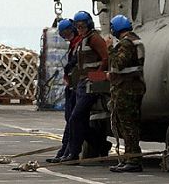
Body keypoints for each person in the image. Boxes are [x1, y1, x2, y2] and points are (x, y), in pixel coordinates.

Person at [59, 10, 109, 163]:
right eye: (78, 26)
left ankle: (73, 152)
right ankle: (75, 151)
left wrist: (96, 79)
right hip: (81, 85)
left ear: (88, 25)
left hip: (89, 85)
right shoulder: (83, 40)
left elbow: (106, 58)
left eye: (82, 26)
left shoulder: (94, 39)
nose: (80, 29)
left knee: (75, 117)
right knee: (77, 119)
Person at [107, 14, 146, 173]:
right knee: (127, 124)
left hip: (127, 90)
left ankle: (133, 159)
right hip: (132, 88)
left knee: (128, 125)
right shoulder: (135, 40)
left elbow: (118, 64)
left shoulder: (126, 44)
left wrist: (109, 48)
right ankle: (129, 158)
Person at [46, 18, 83, 164]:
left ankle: (69, 151)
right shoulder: (75, 43)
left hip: (78, 86)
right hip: (73, 86)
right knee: (71, 119)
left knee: (74, 119)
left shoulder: (81, 42)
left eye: (66, 33)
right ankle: (65, 150)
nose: (64, 36)